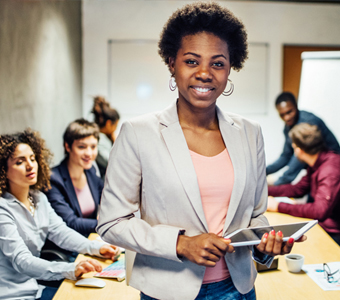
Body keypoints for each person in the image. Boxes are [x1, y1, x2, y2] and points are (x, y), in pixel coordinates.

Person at [97, 3, 302, 300]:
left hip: (238, 289)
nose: (205, 73)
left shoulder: (249, 133)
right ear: (172, 63)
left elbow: (256, 215)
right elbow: (112, 223)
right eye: (192, 61)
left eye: (218, 63)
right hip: (166, 291)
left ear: (231, 67)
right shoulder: (138, 133)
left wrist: (265, 243)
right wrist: (180, 244)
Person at [0, 129, 120, 300]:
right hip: (12, 294)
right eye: (20, 162)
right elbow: (22, 261)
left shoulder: (38, 198)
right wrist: (69, 269)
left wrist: (96, 248)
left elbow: (60, 232)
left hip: (35, 287)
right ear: (3, 170)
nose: (30, 165)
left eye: (32, 159)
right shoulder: (3, 210)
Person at [267, 123, 340, 245]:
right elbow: (298, 189)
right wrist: (263, 191)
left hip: (333, 234)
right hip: (322, 227)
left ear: (298, 150)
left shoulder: (329, 170)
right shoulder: (317, 164)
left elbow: (319, 211)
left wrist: (278, 206)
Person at [266, 91, 340, 186]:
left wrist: (277, 184)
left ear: (296, 106)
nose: (286, 118)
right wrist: (264, 172)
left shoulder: (309, 123)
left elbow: (297, 160)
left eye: (289, 112)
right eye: (282, 115)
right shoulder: (288, 127)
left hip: (331, 167)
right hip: (314, 169)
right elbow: (286, 156)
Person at [45, 119, 103, 237]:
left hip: (91, 239)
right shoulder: (53, 179)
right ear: (67, 146)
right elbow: (70, 222)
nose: (89, 153)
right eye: (82, 147)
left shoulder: (90, 172)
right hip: (68, 249)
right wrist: (104, 224)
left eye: (93, 147)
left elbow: (108, 198)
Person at [92, 96, 120, 180]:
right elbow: (113, 164)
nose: (115, 129)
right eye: (115, 125)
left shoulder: (104, 138)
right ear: (108, 123)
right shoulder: (99, 140)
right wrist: (116, 142)